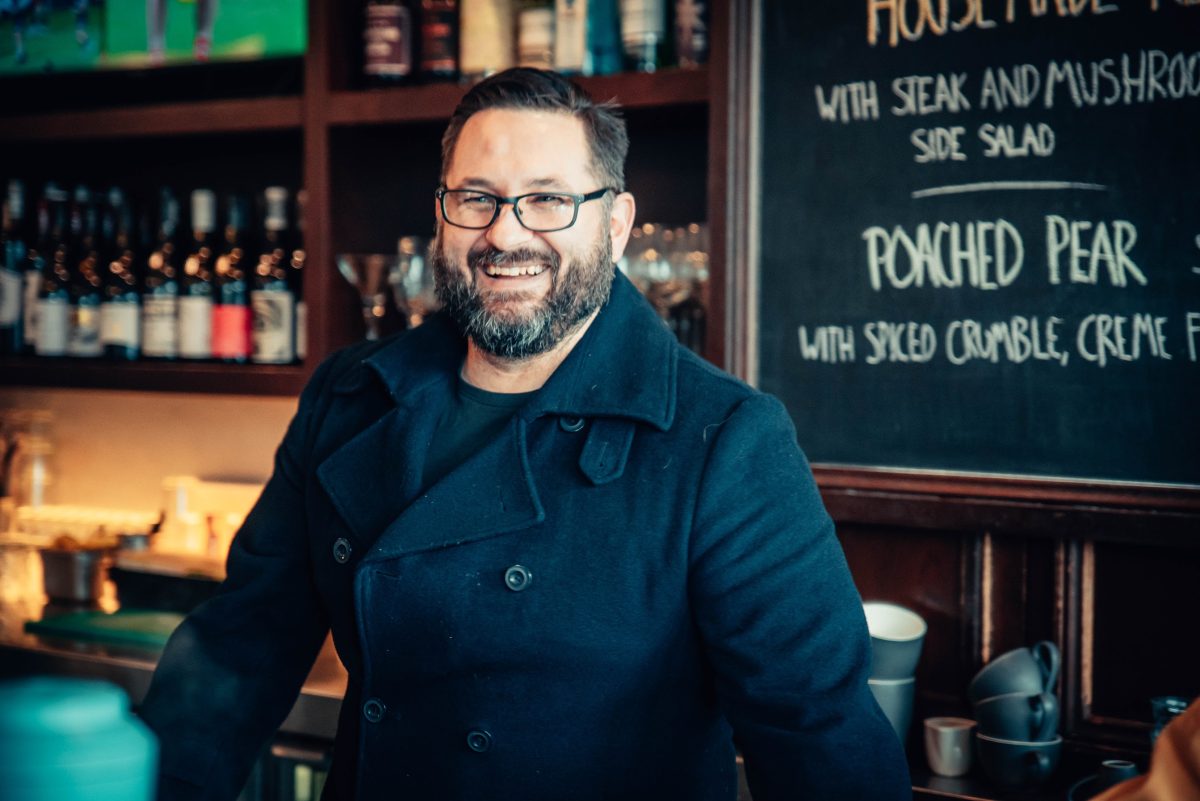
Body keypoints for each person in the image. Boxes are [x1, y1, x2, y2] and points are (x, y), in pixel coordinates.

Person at [139, 67, 912, 801]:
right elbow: (237, 651)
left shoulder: (725, 440)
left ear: (615, 225)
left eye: (547, 200)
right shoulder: (350, 396)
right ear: (442, 212)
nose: (505, 234)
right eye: (476, 197)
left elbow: (816, 734)